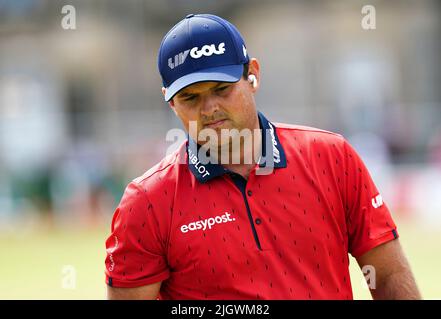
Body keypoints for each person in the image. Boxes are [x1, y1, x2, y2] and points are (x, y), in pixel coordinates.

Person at [105, 13, 421, 300]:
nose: (210, 108)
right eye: (190, 97)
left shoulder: (332, 157)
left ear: (252, 75)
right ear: (170, 102)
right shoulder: (147, 201)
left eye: (221, 88)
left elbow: (389, 274)